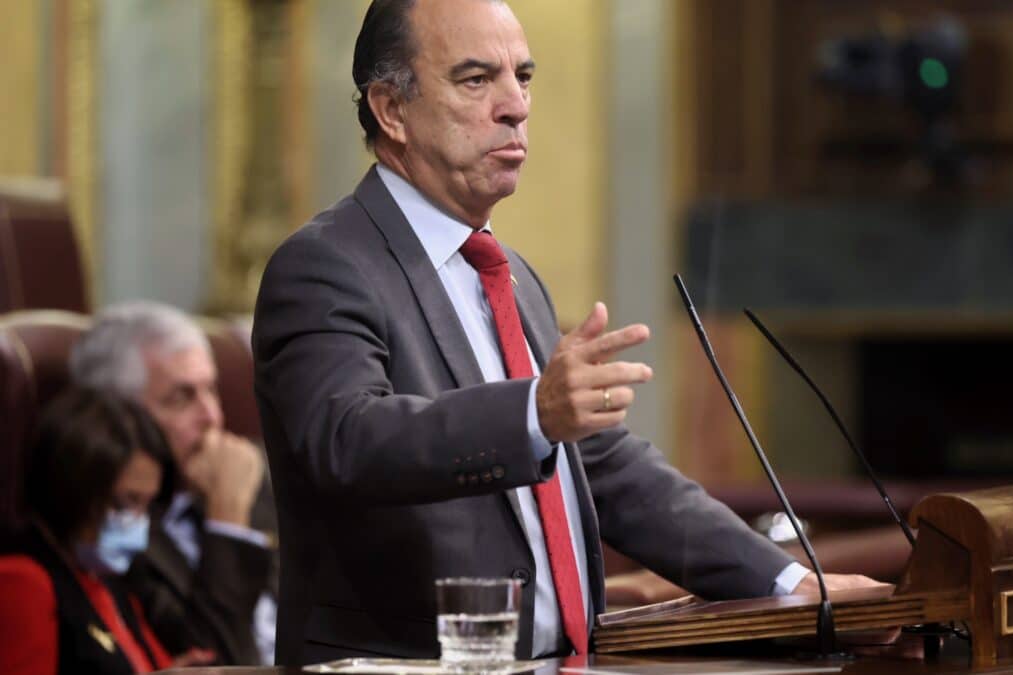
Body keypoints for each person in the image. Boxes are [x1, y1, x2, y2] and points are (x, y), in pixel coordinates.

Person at [252, 0, 883, 664]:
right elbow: (345, 441)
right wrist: (533, 411)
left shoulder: (507, 272)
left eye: (521, 76)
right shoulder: (326, 264)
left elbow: (606, 468)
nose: (516, 106)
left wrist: (791, 582)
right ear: (391, 109)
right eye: (475, 79)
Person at [69, 302, 278, 665]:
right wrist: (228, 519)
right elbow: (215, 661)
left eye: (211, 390)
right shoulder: (117, 532)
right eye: (181, 398)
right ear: (121, 418)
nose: (212, 417)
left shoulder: (259, 470)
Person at [0, 388, 215, 674]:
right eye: (126, 502)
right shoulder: (23, 580)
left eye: (146, 505)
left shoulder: (103, 574)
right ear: (73, 489)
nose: (138, 523)